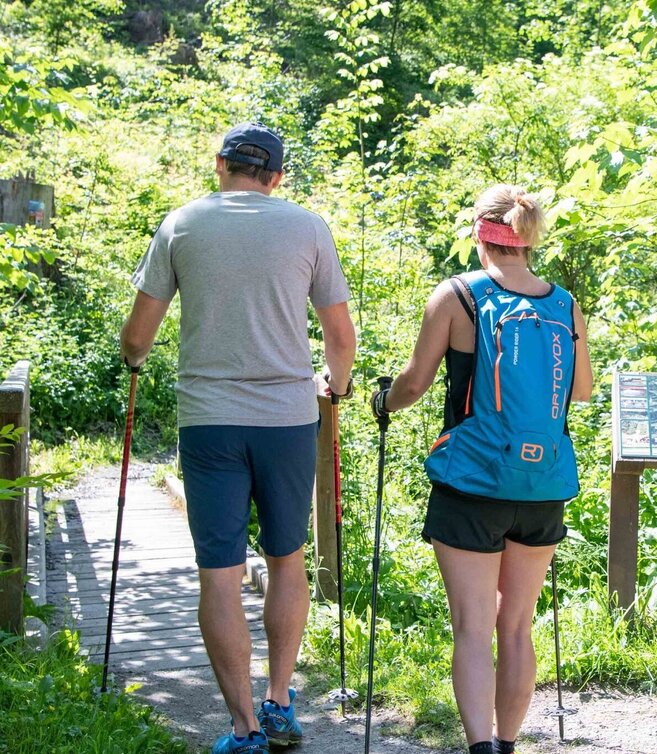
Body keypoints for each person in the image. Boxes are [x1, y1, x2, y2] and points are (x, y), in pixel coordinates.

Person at [120, 122, 356, 754]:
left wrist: (135, 361)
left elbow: (137, 337)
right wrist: (337, 385)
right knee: (287, 558)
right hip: (287, 420)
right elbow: (339, 335)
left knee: (219, 573)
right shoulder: (307, 227)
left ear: (219, 164)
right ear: (276, 177)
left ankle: (244, 727)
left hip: (210, 419)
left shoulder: (181, 224)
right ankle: (280, 701)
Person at [371, 184, 593, 754]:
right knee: (516, 626)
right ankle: (509, 741)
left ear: (479, 233)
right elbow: (583, 391)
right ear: (527, 237)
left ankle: (481, 750)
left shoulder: (458, 296)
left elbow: (414, 385)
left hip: (471, 481)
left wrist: (381, 402)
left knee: (473, 628)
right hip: (543, 485)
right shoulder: (565, 304)